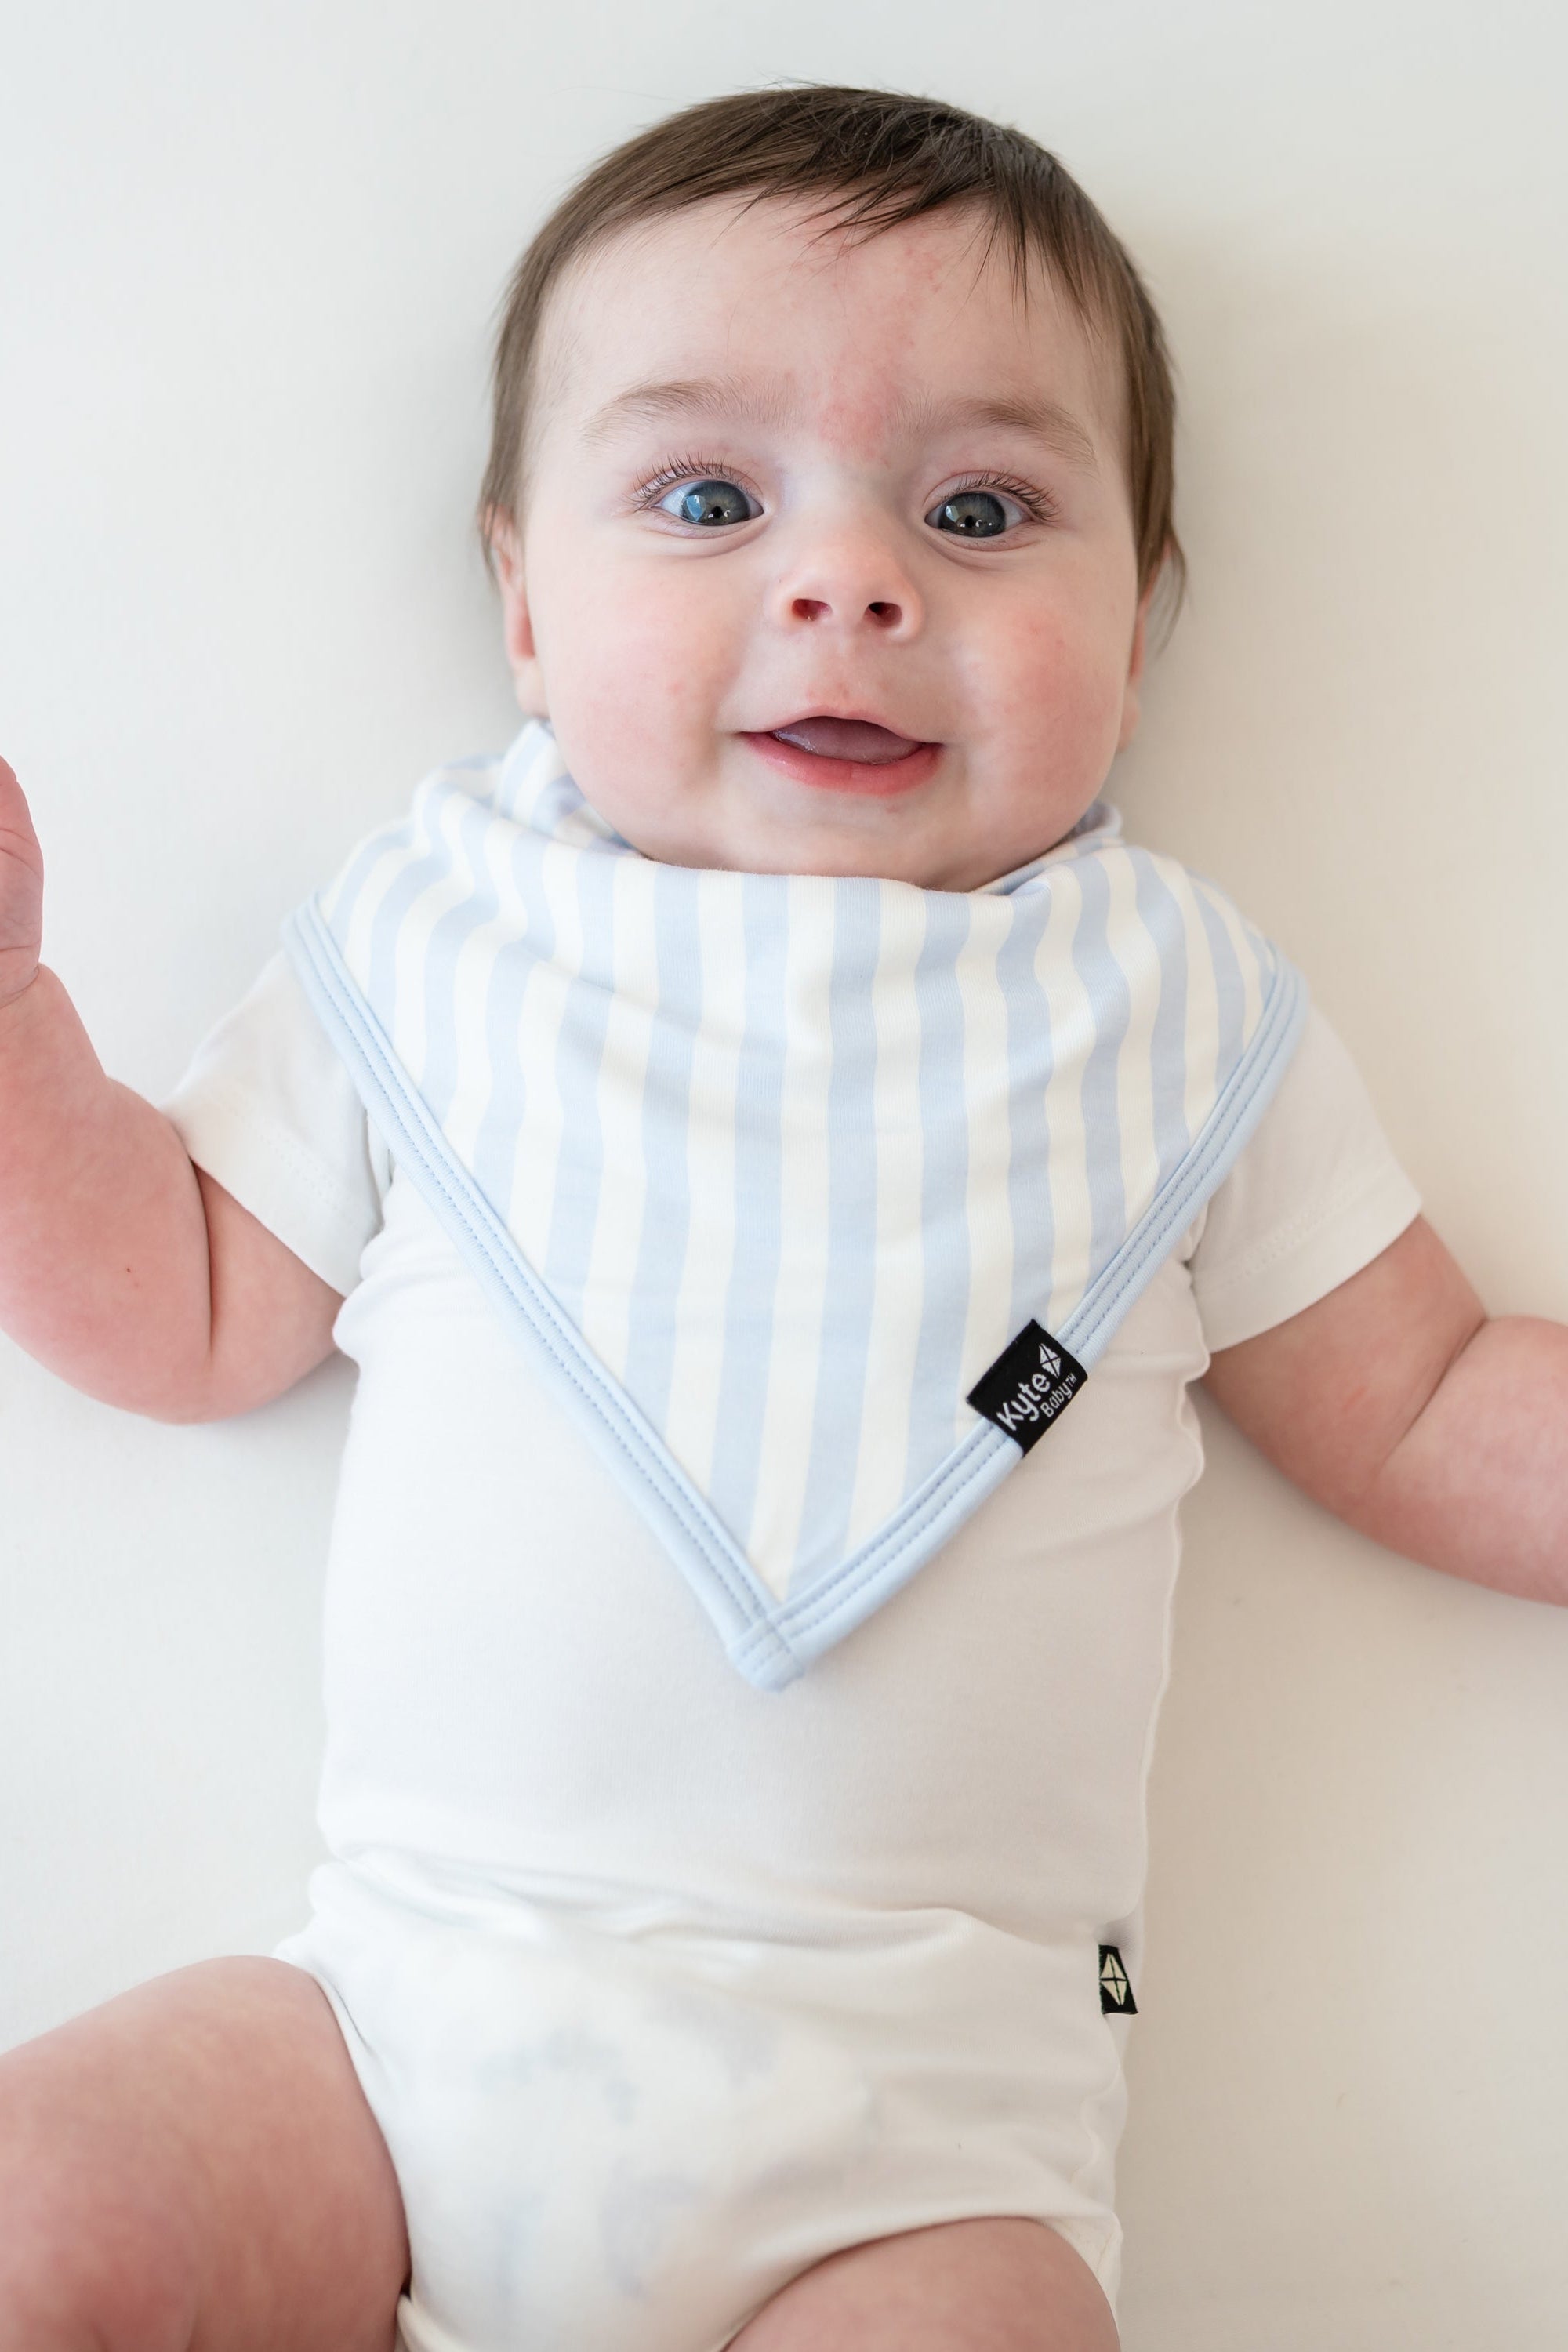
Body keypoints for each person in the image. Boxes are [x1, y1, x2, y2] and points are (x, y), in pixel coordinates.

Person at [1, 83, 1563, 2352]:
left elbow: (1422, 1400)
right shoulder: (444, 940)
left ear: (1134, 631)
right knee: (42, 2219)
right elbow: (185, 1302)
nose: (850, 577)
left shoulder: (1169, 1012)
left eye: (982, 506)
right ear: (527, 604)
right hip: (396, 2040)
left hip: (919, 2147)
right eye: (710, 496)